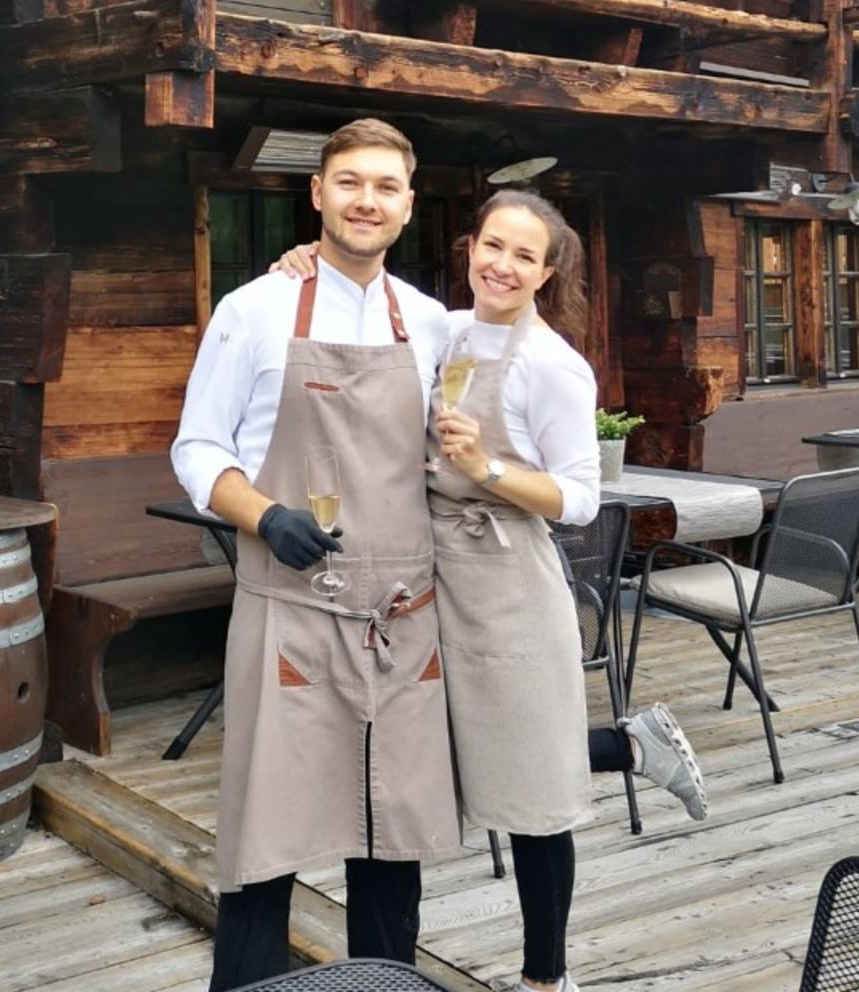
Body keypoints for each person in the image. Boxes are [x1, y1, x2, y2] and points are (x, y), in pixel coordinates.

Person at [278, 188, 706, 992]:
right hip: (417, 572)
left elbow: (579, 498)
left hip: (508, 581)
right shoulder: (440, 329)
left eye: (524, 255)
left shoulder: (555, 366)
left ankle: (548, 980)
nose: (503, 266)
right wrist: (304, 266)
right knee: (408, 765)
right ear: (469, 247)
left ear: (548, 273)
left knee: (531, 796)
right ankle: (627, 748)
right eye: (493, 247)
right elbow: (355, 318)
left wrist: (487, 470)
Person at [171, 118, 459, 992]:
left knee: (390, 845)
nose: (365, 201)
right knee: (266, 847)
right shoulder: (252, 311)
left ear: (408, 206)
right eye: (349, 183)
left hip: (403, 623)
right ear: (318, 194)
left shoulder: (437, 324)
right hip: (291, 616)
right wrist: (263, 516)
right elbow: (196, 450)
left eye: (384, 187)